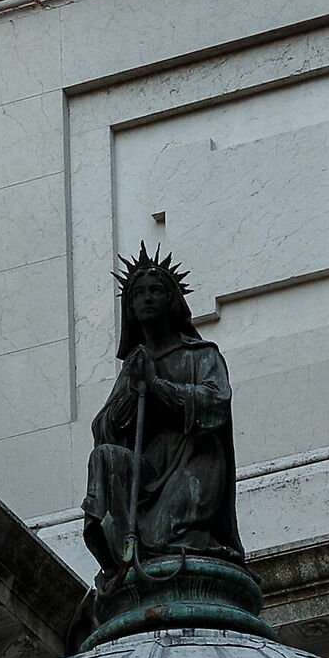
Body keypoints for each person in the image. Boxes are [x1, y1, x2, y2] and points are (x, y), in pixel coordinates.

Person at [82, 247, 242, 583]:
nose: (147, 299)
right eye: (138, 294)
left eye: (156, 291)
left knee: (167, 533)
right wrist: (131, 392)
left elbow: (216, 403)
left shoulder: (201, 355)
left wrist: (159, 388)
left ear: (172, 300)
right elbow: (104, 427)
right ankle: (112, 552)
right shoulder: (133, 366)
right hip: (149, 465)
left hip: (193, 462)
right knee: (105, 457)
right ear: (131, 310)